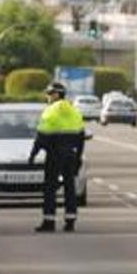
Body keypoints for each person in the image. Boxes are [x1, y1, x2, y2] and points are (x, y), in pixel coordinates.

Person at [29, 82, 85, 232]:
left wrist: (33, 155)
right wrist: (78, 157)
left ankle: (49, 221)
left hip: (54, 154)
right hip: (71, 155)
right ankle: (70, 221)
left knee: (50, 188)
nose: (47, 97)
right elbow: (81, 136)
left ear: (55, 94)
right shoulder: (74, 111)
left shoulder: (50, 111)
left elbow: (41, 136)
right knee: (69, 187)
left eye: (49, 94)